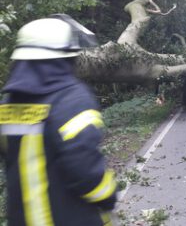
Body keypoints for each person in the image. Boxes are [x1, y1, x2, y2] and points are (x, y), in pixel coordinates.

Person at [0, 14, 117, 226]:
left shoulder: (7, 104)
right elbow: (85, 169)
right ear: (65, 57)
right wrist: (108, 195)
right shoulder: (71, 100)